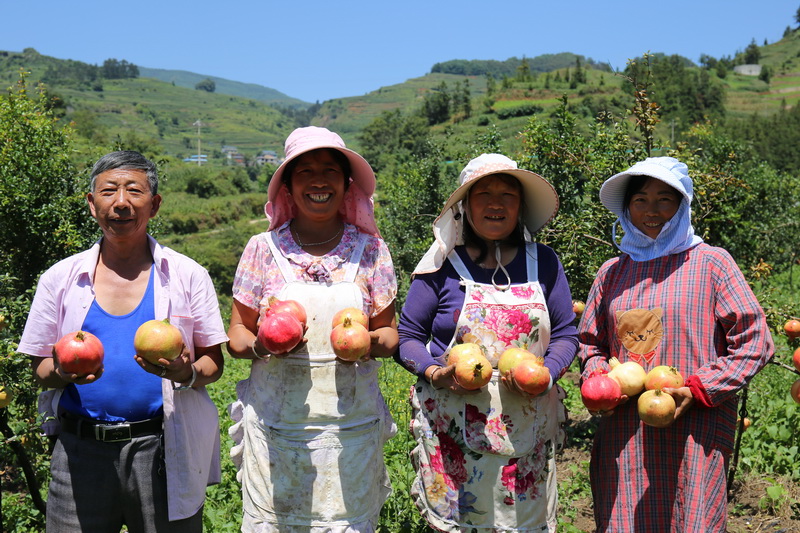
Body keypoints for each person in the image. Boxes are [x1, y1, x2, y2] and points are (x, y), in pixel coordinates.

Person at [17, 150, 228, 532]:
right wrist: (63, 373)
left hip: (164, 447)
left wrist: (186, 372)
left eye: (134, 190)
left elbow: (214, 363)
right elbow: (40, 369)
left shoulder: (187, 275)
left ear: (155, 204)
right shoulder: (60, 278)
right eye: (109, 190)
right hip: (80, 450)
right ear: (92, 204)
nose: (121, 203)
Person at [578, 156, 774, 532]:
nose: (652, 211)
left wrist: (699, 389)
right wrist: (602, 380)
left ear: (682, 206)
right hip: (625, 432)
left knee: (691, 517)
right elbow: (590, 343)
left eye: (665, 199)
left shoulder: (712, 263)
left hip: (695, 428)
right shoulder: (612, 272)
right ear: (626, 208)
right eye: (640, 200)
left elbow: (755, 343)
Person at [226, 126, 399, 532]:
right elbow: (237, 334)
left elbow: (389, 334)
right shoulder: (262, 250)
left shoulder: (371, 249)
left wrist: (366, 343)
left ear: (346, 184)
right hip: (276, 423)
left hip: (349, 427)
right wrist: (262, 346)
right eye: (304, 171)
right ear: (287, 185)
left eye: (329, 171)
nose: (318, 181)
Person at [397, 153, 579, 532]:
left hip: (526, 427)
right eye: (484, 194)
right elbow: (407, 337)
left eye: (507, 194)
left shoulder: (544, 262)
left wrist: (550, 371)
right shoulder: (441, 266)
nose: (496, 204)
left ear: (520, 207)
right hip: (453, 432)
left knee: (524, 525)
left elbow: (565, 334)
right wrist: (434, 372)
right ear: (465, 206)